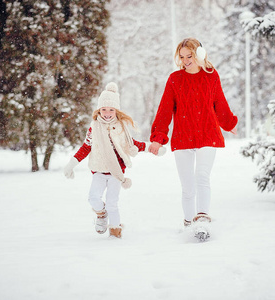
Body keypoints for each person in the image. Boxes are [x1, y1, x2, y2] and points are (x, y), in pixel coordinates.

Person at [148, 38, 238, 228]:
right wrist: (158, 138)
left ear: (199, 55)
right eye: (182, 57)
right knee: (188, 188)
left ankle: (203, 218)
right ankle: (189, 223)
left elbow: (219, 103)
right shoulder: (175, 79)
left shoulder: (211, 76)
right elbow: (164, 110)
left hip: (208, 134)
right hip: (183, 138)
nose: (185, 60)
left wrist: (229, 123)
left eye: (189, 56)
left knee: (202, 176)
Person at [64, 82, 164, 238]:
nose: (107, 113)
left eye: (111, 109)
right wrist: (72, 164)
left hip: (116, 173)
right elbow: (85, 147)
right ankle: (101, 214)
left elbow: (133, 143)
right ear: (99, 110)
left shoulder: (121, 127)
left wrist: (151, 147)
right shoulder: (94, 127)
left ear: (116, 110)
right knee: (93, 198)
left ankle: (115, 231)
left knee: (112, 203)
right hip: (98, 170)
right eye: (104, 109)